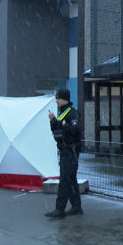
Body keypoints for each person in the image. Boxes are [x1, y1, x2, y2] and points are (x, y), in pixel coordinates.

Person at [45, 89, 83, 219]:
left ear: (64, 99)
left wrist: (63, 125)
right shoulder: (62, 113)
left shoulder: (72, 114)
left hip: (70, 151)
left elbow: (75, 130)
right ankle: (76, 207)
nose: (56, 101)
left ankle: (59, 209)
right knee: (71, 180)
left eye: (58, 98)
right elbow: (57, 129)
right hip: (65, 150)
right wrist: (53, 121)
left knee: (65, 180)